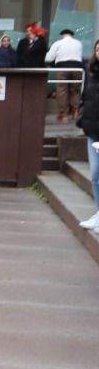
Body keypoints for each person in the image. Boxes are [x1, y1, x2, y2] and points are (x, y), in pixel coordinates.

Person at [77, 40, 99, 230]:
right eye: (97, 49)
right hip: (92, 131)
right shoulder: (91, 71)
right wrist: (81, 117)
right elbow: (85, 97)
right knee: (94, 174)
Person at [47, 28, 85, 123]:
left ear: (63, 35)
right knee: (75, 90)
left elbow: (49, 58)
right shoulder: (78, 43)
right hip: (77, 69)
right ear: (71, 35)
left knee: (62, 90)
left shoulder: (58, 43)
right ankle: (75, 111)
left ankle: (64, 115)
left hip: (63, 68)